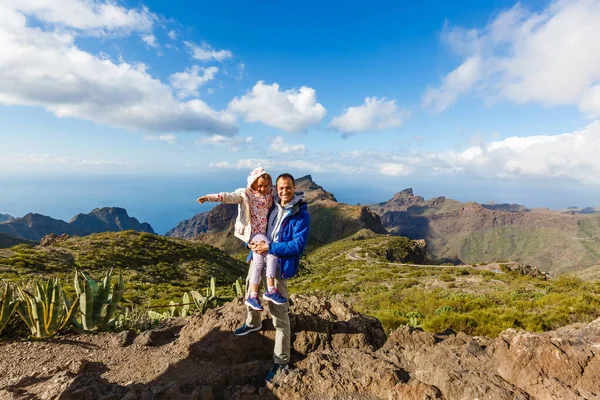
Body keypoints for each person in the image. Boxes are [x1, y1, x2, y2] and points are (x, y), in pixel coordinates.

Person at [233, 173, 310, 383]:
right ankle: (253, 322)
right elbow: (255, 225)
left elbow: (297, 245)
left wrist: (271, 247)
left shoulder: (300, 214)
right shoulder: (272, 204)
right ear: (276, 189)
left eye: (288, 188)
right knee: (251, 290)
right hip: (259, 254)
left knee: (278, 314)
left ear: (294, 188)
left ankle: (281, 360)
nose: (284, 192)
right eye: (281, 188)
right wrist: (250, 245)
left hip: (278, 265)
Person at [197, 167, 288, 311]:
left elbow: (284, 195)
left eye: (266, 185)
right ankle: (270, 290)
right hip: (253, 233)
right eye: (260, 185)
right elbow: (229, 197)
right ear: (253, 184)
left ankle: (253, 295)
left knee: (259, 260)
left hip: (263, 234)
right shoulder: (246, 194)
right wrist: (209, 197)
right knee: (272, 254)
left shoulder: (270, 194)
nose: (263, 188)